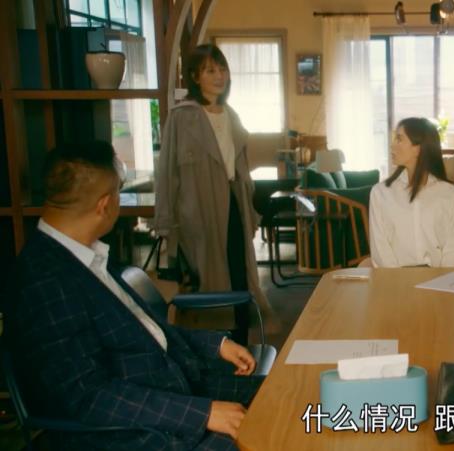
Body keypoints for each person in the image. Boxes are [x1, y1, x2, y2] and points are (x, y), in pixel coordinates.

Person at [3, 141, 261, 450]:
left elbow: (145, 331)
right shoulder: (43, 281)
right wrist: (202, 414)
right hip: (136, 431)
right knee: (278, 434)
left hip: (177, 386)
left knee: (289, 395)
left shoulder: (86, 255)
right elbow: (88, 397)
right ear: (105, 204)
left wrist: (216, 344)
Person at [155, 44, 273, 338]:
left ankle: (241, 344)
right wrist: (166, 224)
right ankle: (213, 349)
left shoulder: (231, 115)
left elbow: (241, 169)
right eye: (210, 70)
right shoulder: (181, 117)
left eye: (222, 69)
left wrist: (249, 210)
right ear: (195, 77)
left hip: (233, 204)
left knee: (239, 276)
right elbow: (167, 174)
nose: (219, 76)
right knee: (206, 281)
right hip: (198, 211)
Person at [369, 117, 454, 268]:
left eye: (399, 139)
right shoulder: (380, 193)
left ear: (418, 148)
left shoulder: (451, 194)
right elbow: (380, 249)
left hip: (440, 277)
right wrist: (396, 278)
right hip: (394, 278)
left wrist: (441, 278)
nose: (392, 145)